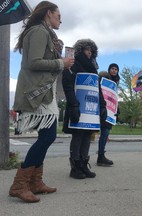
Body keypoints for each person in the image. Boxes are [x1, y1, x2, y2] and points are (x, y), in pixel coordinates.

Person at [9, 1, 75, 203]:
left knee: (47, 136)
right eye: (58, 16)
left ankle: (35, 182)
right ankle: (20, 185)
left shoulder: (45, 33)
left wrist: (59, 58)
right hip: (36, 93)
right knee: (47, 137)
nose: (60, 20)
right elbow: (32, 62)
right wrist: (60, 63)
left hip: (44, 93)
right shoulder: (38, 31)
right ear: (48, 14)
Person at [62, 39, 107, 179]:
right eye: (87, 50)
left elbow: (98, 89)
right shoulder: (73, 64)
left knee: (87, 135)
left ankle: (83, 164)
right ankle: (75, 167)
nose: (89, 52)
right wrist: (74, 105)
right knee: (78, 135)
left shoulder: (94, 68)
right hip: (77, 106)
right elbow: (67, 84)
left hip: (91, 109)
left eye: (91, 50)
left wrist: (103, 105)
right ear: (81, 50)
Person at [96, 63, 120, 166]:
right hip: (102, 109)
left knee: (105, 134)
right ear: (109, 70)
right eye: (112, 69)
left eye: (116, 69)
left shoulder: (116, 83)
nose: (114, 71)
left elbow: (114, 98)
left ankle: (101, 155)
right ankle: (100, 156)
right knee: (104, 133)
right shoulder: (104, 79)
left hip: (110, 111)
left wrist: (116, 110)